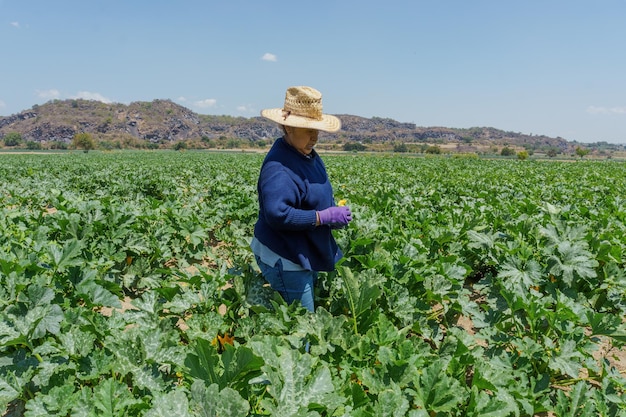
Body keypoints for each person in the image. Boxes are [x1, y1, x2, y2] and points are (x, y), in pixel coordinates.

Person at [250, 86, 352, 313]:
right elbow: (278, 214)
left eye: (316, 130)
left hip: (302, 249)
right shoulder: (279, 167)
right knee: (302, 327)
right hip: (285, 257)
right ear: (287, 126)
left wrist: (330, 216)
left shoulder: (305, 154)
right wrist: (321, 217)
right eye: (307, 130)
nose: (314, 136)